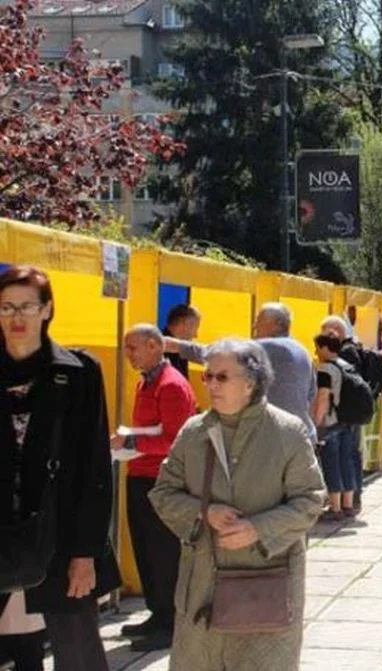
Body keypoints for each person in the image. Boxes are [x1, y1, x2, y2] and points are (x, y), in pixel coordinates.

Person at [149, 339, 325, 671]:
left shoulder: (288, 432)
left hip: (266, 589)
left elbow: (312, 500)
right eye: (208, 376)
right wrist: (205, 513)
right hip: (202, 588)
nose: (212, 384)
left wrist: (258, 528)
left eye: (222, 377)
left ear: (251, 382)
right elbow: (163, 494)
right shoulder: (194, 431)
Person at [0, 266, 121, 671]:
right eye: (6, 307)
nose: (17, 317)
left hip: (60, 532)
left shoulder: (78, 372)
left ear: (47, 309)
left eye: (28, 306)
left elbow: (94, 469)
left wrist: (86, 552)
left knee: (76, 651)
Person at [110, 325, 197, 651]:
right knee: (146, 551)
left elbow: (174, 440)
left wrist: (129, 440)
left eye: (132, 347)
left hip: (161, 480)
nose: (128, 354)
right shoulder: (147, 381)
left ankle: (170, 622)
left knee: (162, 554)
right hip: (140, 474)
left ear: (153, 346)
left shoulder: (171, 385)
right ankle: (157, 614)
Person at [165, 302, 317, 443]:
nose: (254, 325)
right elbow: (311, 396)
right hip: (302, 435)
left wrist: (176, 346)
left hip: (273, 439)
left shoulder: (269, 347)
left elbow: (220, 354)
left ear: (276, 324)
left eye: (259, 319)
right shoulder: (303, 352)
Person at [312, 332, 359, 521]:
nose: (316, 352)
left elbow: (323, 397)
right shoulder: (348, 366)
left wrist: (316, 421)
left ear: (324, 348)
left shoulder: (325, 369)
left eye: (317, 348)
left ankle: (335, 507)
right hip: (348, 420)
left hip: (331, 422)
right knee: (346, 461)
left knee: (332, 463)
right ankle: (348, 504)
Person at [162, 304, 201, 380]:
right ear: (183, 324)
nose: (196, 335)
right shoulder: (159, 351)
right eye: (195, 327)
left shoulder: (180, 350)